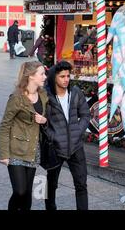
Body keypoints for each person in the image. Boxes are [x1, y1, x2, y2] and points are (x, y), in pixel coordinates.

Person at [0, 61, 48, 210]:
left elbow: (47, 119)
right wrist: (4, 154)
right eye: (42, 74)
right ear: (31, 76)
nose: (45, 77)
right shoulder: (16, 98)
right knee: (19, 191)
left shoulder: (43, 95)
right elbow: (5, 126)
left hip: (33, 150)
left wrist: (44, 120)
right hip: (16, 150)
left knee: (26, 193)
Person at [44, 60, 91, 210]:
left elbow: (85, 115)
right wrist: (53, 136)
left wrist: (78, 131)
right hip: (55, 147)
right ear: (54, 78)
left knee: (81, 184)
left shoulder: (75, 92)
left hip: (76, 147)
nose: (66, 79)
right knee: (51, 184)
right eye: (62, 76)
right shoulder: (46, 96)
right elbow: (42, 122)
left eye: (68, 76)